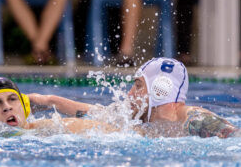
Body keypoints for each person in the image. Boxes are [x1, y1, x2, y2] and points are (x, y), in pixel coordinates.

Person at [28, 57, 239, 138]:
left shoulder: (195, 120)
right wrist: (49, 101)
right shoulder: (138, 118)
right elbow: (93, 112)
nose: (129, 93)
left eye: (138, 85)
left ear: (160, 89)